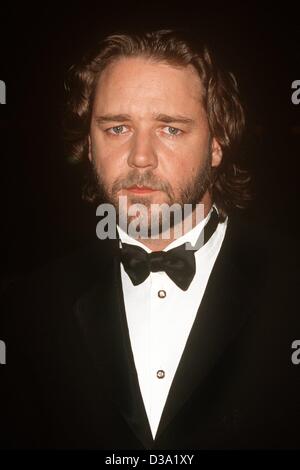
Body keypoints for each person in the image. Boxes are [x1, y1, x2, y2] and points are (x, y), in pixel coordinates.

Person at [0, 29, 299, 450]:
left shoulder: (290, 287)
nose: (141, 156)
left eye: (170, 129)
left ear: (217, 144)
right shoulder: (31, 308)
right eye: (117, 128)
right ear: (89, 144)